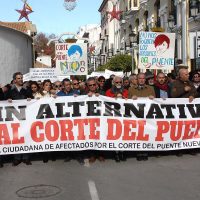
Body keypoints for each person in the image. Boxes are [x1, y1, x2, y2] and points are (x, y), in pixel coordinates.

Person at [6, 72, 32, 166]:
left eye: (21, 78)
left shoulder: (27, 89)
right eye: (18, 78)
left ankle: (26, 158)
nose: (21, 79)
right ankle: (17, 158)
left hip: (25, 117)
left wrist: (30, 99)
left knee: (26, 136)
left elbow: (32, 99)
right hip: (15, 118)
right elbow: (5, 99)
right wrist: (8, 100)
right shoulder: (10, 90)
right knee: (16, 137)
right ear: (15, 80)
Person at [128, 73, 155, 161]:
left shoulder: (151, 89)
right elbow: (127, 102)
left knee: (146, 132)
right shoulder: (131, 89)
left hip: (147, 115)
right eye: (140, 78)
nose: (142, 80)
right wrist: (132, 98)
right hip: (136, 115)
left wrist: (153, 98)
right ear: (137, 79)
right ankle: (139, 151)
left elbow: (156, 102)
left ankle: (145, 151)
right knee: (138, 133)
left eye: (143, 78)